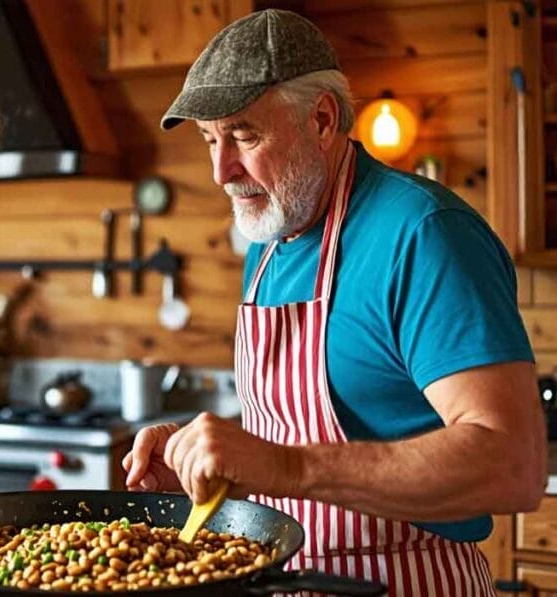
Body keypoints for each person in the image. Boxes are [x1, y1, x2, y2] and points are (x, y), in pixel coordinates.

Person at [123, 9, 548, 594]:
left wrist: (284, 467)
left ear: (321, 119)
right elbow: (289, 439)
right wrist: (208, 461)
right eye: (209, 140)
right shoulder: (269, 240)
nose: (222, 170)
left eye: (244, 135)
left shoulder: (423, 234)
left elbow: (514, 467)